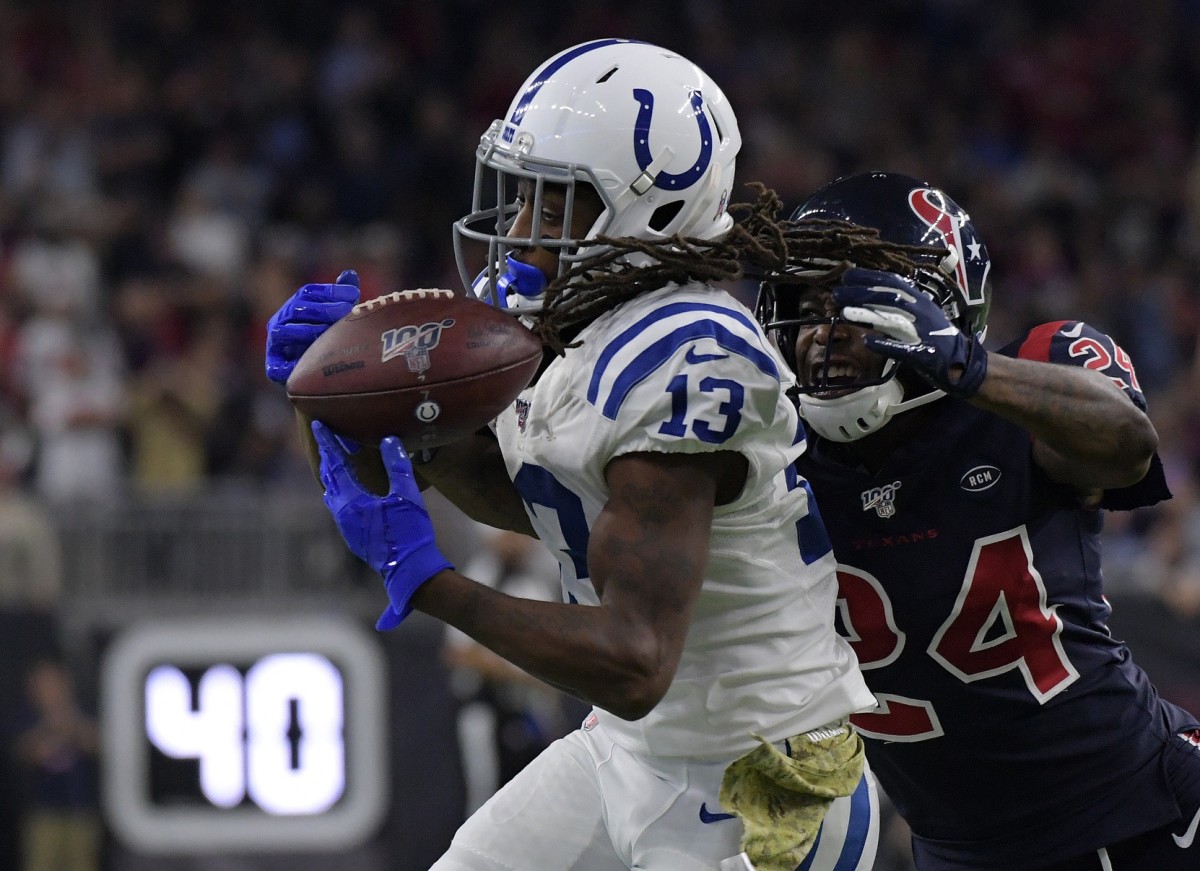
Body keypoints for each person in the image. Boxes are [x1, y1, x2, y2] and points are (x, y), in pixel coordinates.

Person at [265, 38, 880, 871]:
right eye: (519, 196)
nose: (517, 230)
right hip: (631, 747)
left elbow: (635, 659)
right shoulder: (561, 319)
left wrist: (433, 584)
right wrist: (336, 405)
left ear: (649, 214)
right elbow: (537, 495)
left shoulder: (688, 352)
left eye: (552, 207)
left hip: (761, 778)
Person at [754, 169, 1200, 870]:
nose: (822, 333)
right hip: (959, 854)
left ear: (935, 309)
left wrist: (968, 367)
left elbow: (1125, 445)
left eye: (855, 305)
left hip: (1142, 807)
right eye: (805, 307)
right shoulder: (770, 458)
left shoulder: (1027, 380)